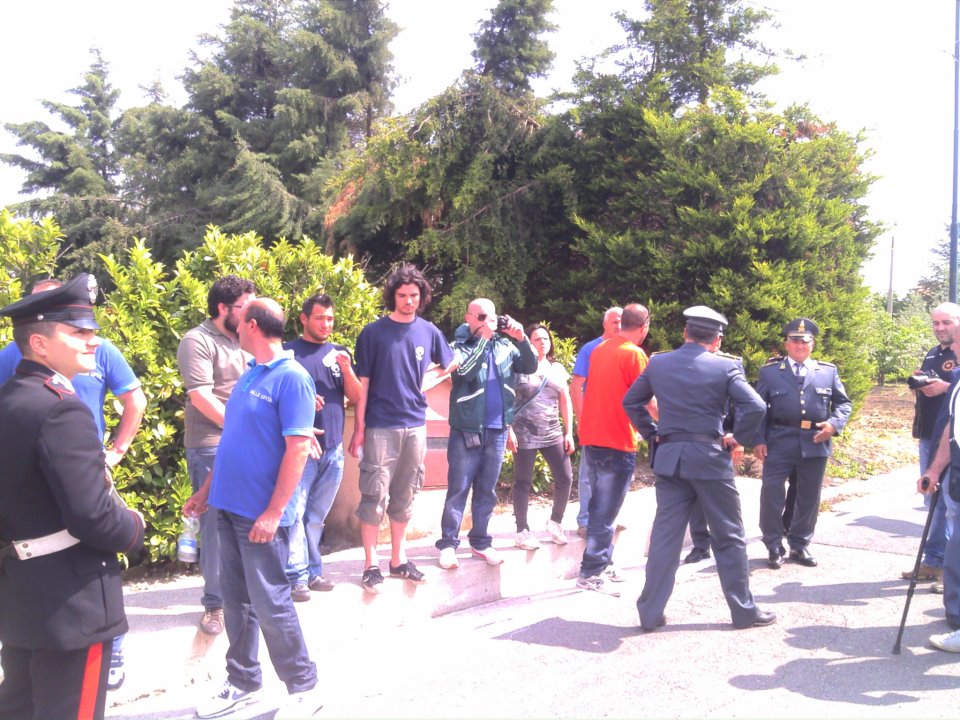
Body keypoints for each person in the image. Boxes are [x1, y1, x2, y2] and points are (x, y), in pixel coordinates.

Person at [0, 275, 145, 720]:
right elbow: (92, 517)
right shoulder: (63, 408)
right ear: (40, 344)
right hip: (72, 603)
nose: (93, 341)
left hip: (22, 596)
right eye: (78, 331)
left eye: (92, 330)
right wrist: (136, 527)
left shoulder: (11, 398)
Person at [183, 299, 322, 720]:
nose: (235, 327)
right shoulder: (250, 375)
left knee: (272, 601)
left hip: (258, 513)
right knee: (236, 600)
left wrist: (273, 512)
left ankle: (304, 688)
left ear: (255, 326)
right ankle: (244, 682)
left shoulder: (292, 378)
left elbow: (298, 448)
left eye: (241, 321)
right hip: (226, 506)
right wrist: (207, 490)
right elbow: (233, 440)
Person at [624, 305, 774, 631]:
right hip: (710, 459)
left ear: (685, 333)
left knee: (665, 538)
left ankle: (650, 614)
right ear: (717, 340)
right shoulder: (726, 367)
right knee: (729, 536)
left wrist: (653, 435)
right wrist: (737, 439)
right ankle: (743, 611)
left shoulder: (659, 362)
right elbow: (756, 405)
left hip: (671, 459)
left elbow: (631, 402)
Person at [348, 264, 455, 593]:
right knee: (373, 495)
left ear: (421, 296)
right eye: (402, 295)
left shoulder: (429, 331)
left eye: (414, 295)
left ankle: (398, 559)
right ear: (392, 296)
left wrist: (428, 378)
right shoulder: (373, 333)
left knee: (406, 494)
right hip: (380, 425)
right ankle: (370, 563)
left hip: (415, 425)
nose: (409, 300)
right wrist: (360, 429)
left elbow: (451, 362)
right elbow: (362, 384)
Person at [177, 274, 256, 635]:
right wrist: (240, 429)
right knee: (214, 526)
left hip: (248, 441)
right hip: (212, 443)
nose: (251, 313)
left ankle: (245, 596)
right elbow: (201, 396)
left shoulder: (247, 341)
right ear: (223, 308)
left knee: (249, 520)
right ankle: (214, 605)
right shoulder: (197, 340)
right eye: (245, 307)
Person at [436, 299, 535, 569]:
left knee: (487, 491)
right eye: (481, 316)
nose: (487, 321)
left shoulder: (505, 347)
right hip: (467, 429)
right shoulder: (457, 347)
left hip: (498, 430)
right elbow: (465, 373)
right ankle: (448, 544)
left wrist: (521, 337)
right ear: (468, 317)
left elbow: (529, 366)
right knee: (458, 488)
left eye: (492, 317)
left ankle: (480, 542)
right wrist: (482, 341)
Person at [753, 318, 852, 569]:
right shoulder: (770, 372)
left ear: (813, 344)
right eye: (794, 340)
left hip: (815, 441)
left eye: (805, 340)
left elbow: (843, 403)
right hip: (779, 440)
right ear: (786, 344)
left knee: (808, 496)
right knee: (772, 494)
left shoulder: (827, 371)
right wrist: (758, 439)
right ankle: (774, 544)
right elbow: (757, 408)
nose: (800, 345)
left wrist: (834, 424)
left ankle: (799, 544)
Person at [284, 294, 361, 600]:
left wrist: (348, 371)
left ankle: (314, 572)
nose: (327, 324)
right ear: (304, 319)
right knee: (295, 511)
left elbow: (355, 396)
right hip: (301, 449)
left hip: (333, 449)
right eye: (320, 318)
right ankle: (296, 576)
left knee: (316, 516)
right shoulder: (288, 352)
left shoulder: (339, 353)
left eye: (330, 319)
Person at [575, 303, 652, 596]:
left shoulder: (600, 349)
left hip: (594, 438)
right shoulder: (634, 354)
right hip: (617, 441)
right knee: (606, 514)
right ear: (644, 327)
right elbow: (645, 401)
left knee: (597, 508)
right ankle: (591, 573)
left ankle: (602, 563)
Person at [902, 302, 960, 588]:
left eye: (946, 323)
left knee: (952, 504)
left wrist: (944, 387)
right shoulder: (933, 353)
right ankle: (934, 562)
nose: (940, 328)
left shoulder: (959, 352)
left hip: (952, 438)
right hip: (929, 433)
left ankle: (952, 574)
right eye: (936, 323)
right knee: (933, 500)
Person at [508, 323, 575, 550]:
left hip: (553, 432)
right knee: (523, 482)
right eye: (536, 339)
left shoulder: (557, 369)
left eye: (545, 338)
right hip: (524, 432)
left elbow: (565, 400)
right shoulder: (518, 368)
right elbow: (507, 400)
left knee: (565, 477)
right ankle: (522, 530)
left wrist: (569, 433)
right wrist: (508, 430)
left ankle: (555, 522)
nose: (542, 342)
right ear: (527, 342)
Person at [683, 332, 744, 565]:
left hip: (723, 438)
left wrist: (738, 437)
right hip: (694, 437)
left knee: (723, 497)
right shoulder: (687, 360)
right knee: (696, 494)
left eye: (719, 337)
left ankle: (727, 545)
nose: (716, 341)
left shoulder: (731, 363)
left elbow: (742, 404)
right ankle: (700, 544)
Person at [570, 306, 623, 535]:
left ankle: (607, 519)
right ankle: (585, 520)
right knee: (589, 474)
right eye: (615, 321)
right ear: (605, 323)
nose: (619, 325)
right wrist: (581, 421)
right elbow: (576, 386)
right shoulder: (590, 349)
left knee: (616, 473)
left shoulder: (627, 350)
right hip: (594, 423)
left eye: (622, 321)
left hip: (618, 424)